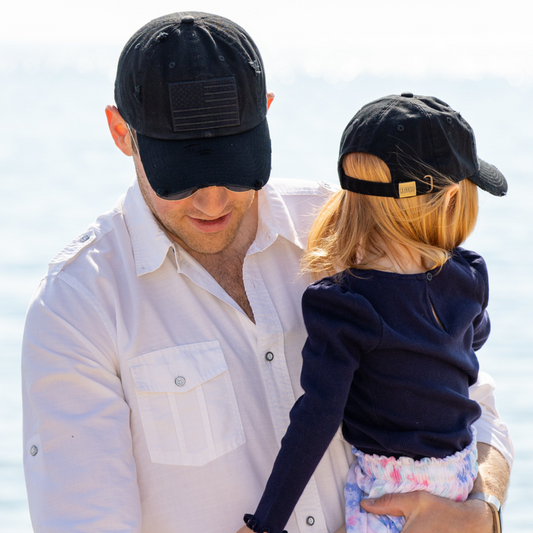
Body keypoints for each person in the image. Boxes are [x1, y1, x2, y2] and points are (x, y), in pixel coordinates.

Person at [21, 12, 511, 533]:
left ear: (268, 114)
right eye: (180, 176)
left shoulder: (350, 229)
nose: (211, 198)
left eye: (234, 165)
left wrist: (482, 514)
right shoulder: (76, 308)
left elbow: (474, 405)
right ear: (121, 133)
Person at [237, 94, 511, 533]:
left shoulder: (344, 305)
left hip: (386, 495)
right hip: (461, 481)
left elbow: (317, 418)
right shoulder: (469, 274)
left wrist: (265, 524)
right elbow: (475, 338)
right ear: (452, 199)